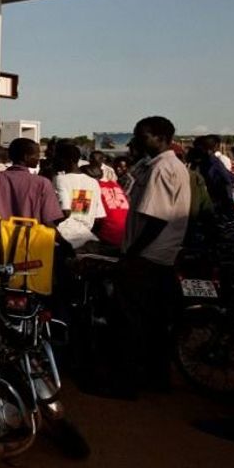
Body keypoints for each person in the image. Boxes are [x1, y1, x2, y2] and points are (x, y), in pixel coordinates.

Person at [94, 116, 190, 399]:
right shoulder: (169, 166)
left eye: (142, 136)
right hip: (160, 257)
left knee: (130, 322)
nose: (137, 141)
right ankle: (156, 379)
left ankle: (126, 384)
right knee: (156, 324)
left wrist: (132, 253)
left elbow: (156, 219)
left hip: (147, 258)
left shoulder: (162, 168)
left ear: (160, 137)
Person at [0, 138, 63, 241]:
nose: (38, 158)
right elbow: (48, 221)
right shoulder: (42, 184)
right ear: (26, 157)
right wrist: (64, 243)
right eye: (36, 155)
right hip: (30, 247)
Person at [52, 142, 106, 248]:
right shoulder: (93, 182)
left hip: (64, 236)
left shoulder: (60, 179)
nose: (55, 161)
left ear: (69, 160)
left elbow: (65, 211)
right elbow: (99, 217)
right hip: (86, 236)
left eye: (58, 158)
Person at [83, 162, 129, 249]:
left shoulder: (90, 188)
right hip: (127, 236)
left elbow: (81, 214)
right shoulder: (115, 184)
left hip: (109, 237)